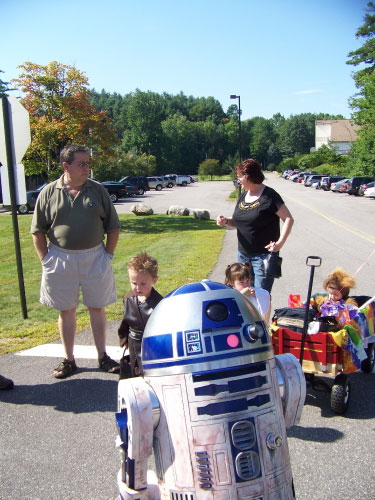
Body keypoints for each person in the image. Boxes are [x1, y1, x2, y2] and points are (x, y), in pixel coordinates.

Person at [30, 144, 121, 379]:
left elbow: (113, 226)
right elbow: (37, 230)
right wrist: (46, 260)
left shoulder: (98, 191)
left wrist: (107, 255)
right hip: (60, 258)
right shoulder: (49, 192)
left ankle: (103, 356)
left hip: (95, 257)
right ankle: (69, 360)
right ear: (65, 166)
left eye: (88, 163)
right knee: (66, 310)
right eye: (81, 164)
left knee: (97, 307)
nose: (87, 168)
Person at [217, 158, 294, 293]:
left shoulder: (269, 196)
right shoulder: (243, 196)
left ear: (248, 176)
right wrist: (226, 221)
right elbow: (240, 222)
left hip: (263, 257)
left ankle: (261, 315)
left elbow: (288, 218)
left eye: (239, 176)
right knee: (244, 294)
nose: (238, 180)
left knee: (260, 295)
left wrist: (280, 244)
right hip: (243, 255)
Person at [118, 252, 163, 377]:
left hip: (151, 344)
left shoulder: (159, 303)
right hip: (133, 341)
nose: (138, 287)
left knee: (150, 372)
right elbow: (126, 320)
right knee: (135, 369)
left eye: (143, 284)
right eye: (134, 283)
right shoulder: (128, 298)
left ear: (154, 280)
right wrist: (125, 338)